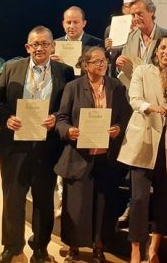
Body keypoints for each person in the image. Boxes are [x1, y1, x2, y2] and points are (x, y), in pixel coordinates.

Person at [0, 26, 75, 263]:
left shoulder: (65, 71)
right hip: (14, 145)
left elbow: (69, 106)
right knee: (13, 198)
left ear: (53, 46)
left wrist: (56, 118)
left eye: (45, 44)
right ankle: (11, 246)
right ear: (28, 47)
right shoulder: (10, 68)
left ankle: (40, 247)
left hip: (47, 147)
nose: (40, 48)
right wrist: (6, 118)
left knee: (44, 199)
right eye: (35, 44)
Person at [55, 47, 132, 262]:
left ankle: (99, 245)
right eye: (96, 61)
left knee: (102, 203)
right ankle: (73, 246)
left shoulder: (116, 87)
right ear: (85, 65)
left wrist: (118, 127)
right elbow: (61, 118)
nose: (102, 64)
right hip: (79, 155)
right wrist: (68, 131)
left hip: (106, 156)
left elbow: (126, 117)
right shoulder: (73, 87)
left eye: (104, 60)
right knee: (76, 205)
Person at [117, 35, 167, 263]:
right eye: (162, 47)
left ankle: (154, 249)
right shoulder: (142, 71)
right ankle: (136, 248)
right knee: (138, 199)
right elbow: (134, 99)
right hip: (144, 140)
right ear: (156, 50)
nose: (166, 51)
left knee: (164, 199)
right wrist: (152, 108)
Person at [116, 0, 167, 88]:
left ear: (151, 12)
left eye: (139, 14)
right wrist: (119, 65)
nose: (136, 18)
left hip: (161, 94)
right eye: (133, 15)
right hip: (134, 96)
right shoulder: (130, 38)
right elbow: (124, 70)